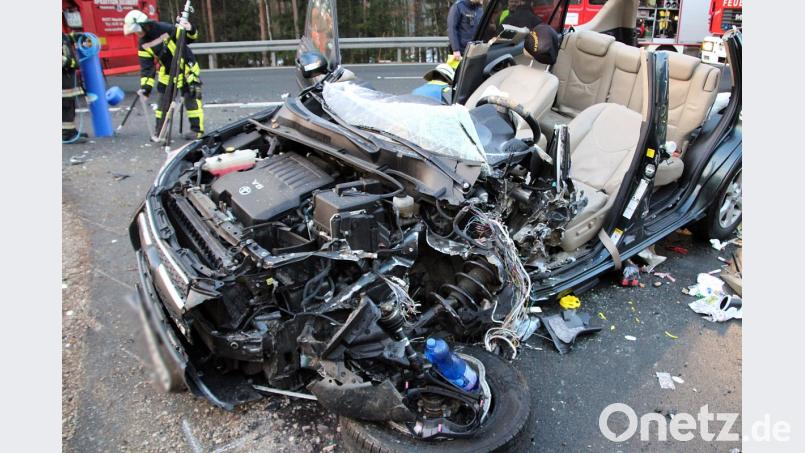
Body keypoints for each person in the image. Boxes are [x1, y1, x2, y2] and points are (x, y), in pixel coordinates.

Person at [123, 9, 205, 139]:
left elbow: (189, 38)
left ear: (144, 25)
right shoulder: (143, 43)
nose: (137, 34)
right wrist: (146, 89)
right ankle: (160, 132)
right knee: (162, 104)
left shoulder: (165, 28)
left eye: (137, 31)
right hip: (167, 72)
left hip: (186, 69)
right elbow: (147, 68)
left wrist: (189, 28)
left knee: (192, 100)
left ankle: (197, 130)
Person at [62, 32, 86, 144]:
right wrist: (71, 63)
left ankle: (71, 131)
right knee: (64, 107)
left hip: (67, 77)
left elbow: (64, 40)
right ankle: (65, 135)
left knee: (70, 105)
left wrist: (72, 37)